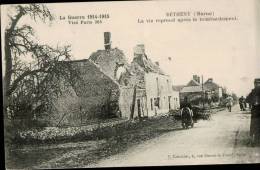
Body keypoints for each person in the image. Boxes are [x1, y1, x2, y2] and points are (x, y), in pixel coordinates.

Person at [246, 78, 260, 146]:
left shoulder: (254, 91)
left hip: (256, 111)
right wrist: (253, 102)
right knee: (254, 126)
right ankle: (253, 141)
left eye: (258, 83)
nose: (257, 85)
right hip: (255, 112)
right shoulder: (253, 92)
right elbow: (247, 99)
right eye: (256, 83)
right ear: (254, 84)